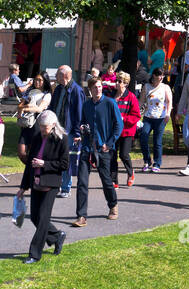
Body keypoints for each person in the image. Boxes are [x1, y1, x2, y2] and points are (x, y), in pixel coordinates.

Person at [18, 110, 69, 263]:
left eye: (45, 127)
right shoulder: (37, 137)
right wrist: (23, 187)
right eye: (40, 126)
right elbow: (29, 165)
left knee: (43, 219)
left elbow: (64, 164)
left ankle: (34, 254)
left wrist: (44, 164)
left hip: (51, 183)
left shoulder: (62, 139)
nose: (42, 130)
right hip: (36, 182)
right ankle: (56, 236)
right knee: (35, 217)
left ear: (53, 125)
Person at [73, 78, 123, 227]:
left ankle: (113, 205)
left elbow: (118, 125)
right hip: (87, 148)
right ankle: (81, 216)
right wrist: (81, 130)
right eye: (95, 87)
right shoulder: (87, 105)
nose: (98, 89)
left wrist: (109, 143)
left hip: (103, 149)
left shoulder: (110, 103)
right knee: (82, 182)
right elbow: (82, 122)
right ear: (90, 89)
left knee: (106, 180)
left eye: (100, 87)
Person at [48, 65, 86, 198]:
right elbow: (53, 107)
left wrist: (77, 133)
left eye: (57, 74)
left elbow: (79, 114)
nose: (56, 76)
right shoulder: (58, 89)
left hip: (69, 131)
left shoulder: (76, 90)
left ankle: (66, 187)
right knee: (54, 157)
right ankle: (55, 184)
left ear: (64, 76)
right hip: (56, 129)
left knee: (66, 159)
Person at [111, 71, 141, 188]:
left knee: (123, 154)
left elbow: (136, 115)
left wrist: (124, 119)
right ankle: (114, 181)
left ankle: (130, 173)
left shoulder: (131, 97)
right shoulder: (111, 96)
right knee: (112, 155)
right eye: (116, 81)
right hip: (113, 131)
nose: (117, 84)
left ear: (126, 84)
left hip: (126, 131)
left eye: (120, 82)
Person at [139, 69, 172, 172]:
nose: (161, 77)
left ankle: (157, 163)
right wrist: (137, 114)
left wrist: (168, 113)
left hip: (160, 118)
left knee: (157, 141)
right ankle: (147, 161)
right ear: (154, 75)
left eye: (163, 75)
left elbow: (169, 101)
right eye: (159, 75)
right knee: (143, 137)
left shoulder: (165, 87)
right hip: (148, 116)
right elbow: (141, 101)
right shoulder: (147, 87)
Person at [16, 72, 51, 146]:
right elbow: (19, 106)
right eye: (35, 79)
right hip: (26, 122)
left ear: (45, 81)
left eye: (40, 80)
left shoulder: (47, 94)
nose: (36, 82)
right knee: (21, 152)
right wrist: (25, 108)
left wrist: (24, 108)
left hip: (37, 124)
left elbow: (39, 109)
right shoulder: (29, 91)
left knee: (32, 150)